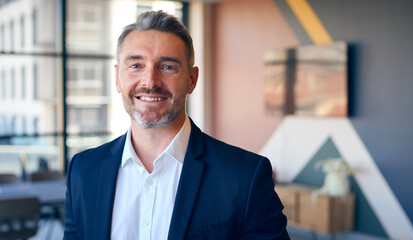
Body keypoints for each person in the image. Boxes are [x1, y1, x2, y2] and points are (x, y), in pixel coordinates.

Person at [63, 10, 290, 240]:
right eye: (136, 66)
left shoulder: (245, 177)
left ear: (192, 80)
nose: (150, 81)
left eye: (168, 67)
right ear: (117, 77)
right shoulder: (83, 171)